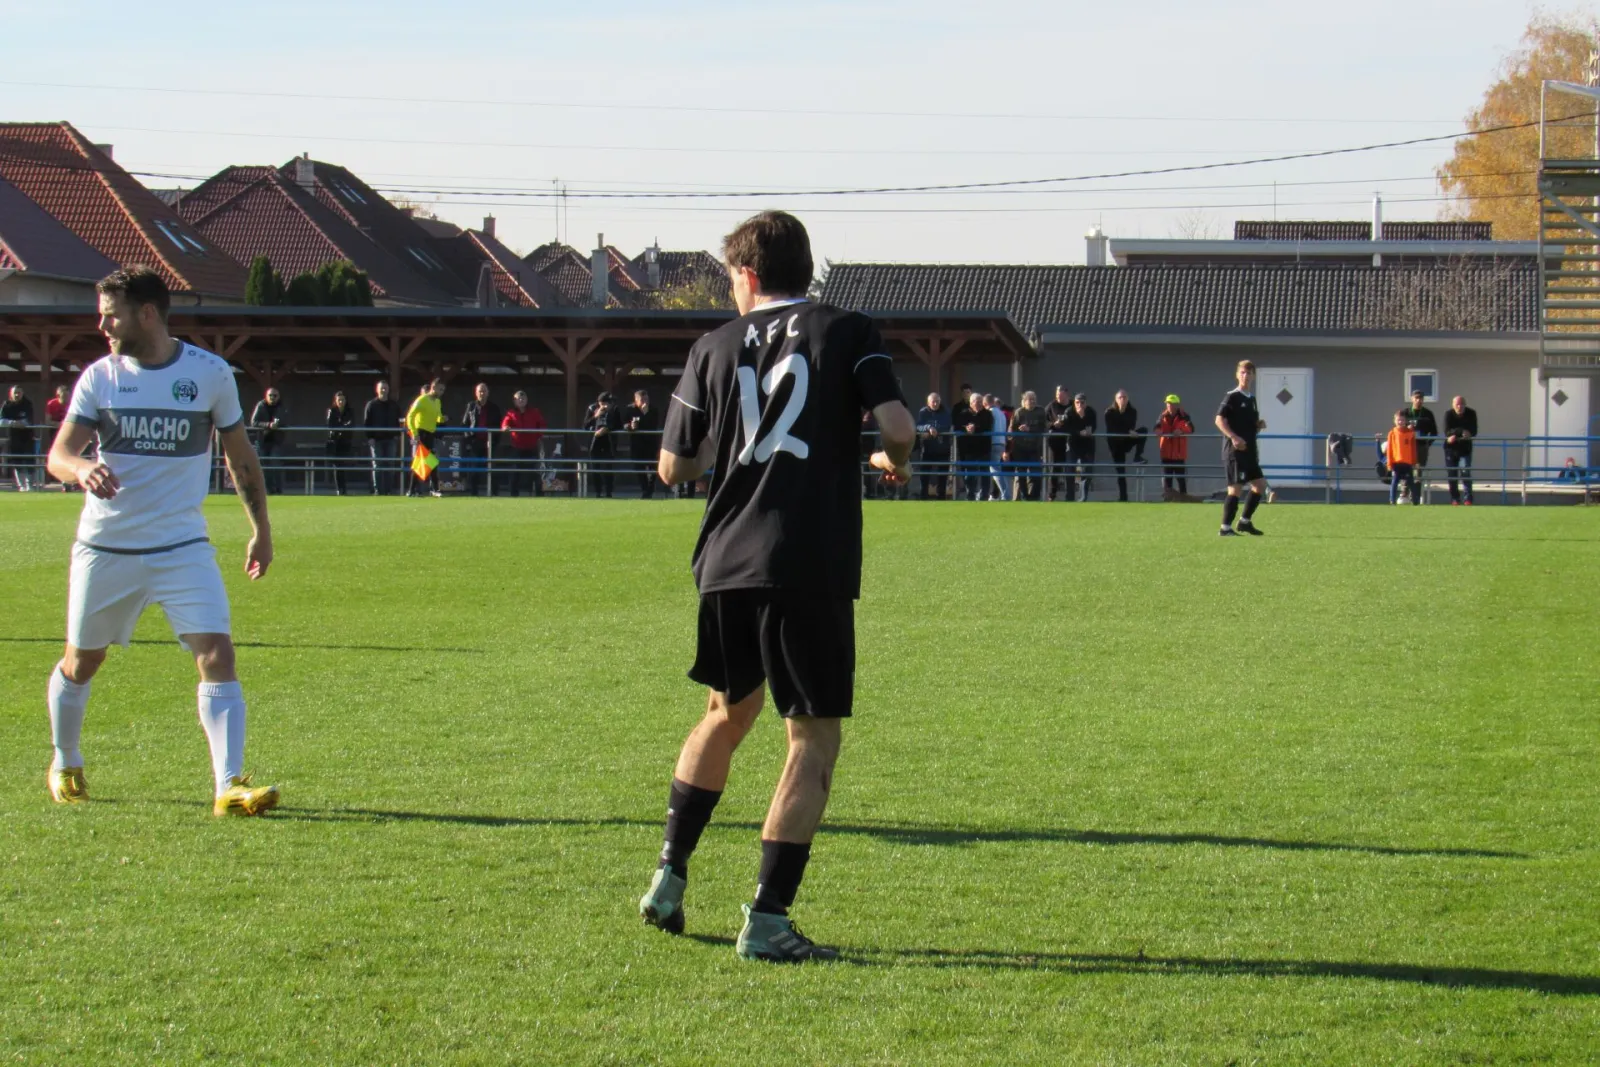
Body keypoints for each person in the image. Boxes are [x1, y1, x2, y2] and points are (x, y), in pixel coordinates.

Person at [638, 210, 915, 963]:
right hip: (806, 558)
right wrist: (892, 459)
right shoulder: (848, 330)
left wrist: (726, 451)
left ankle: (668, 875)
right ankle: (766, 919)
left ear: (749, 274)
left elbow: (674, 467)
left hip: (725, 559)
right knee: (813, 737)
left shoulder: (712, 346)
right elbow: (898, 427)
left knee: (726, 713)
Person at [44, 266, 278, 816]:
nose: (102, 325)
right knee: (83, 661)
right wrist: (82, 469)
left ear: (147, 314)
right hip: (107, 547)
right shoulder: (100, 378)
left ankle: (229, 786)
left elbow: (240, 457)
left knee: (217, 653)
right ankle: (66, 760)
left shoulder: (209, 373)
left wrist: (261, 530)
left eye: (111, 315)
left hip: (181, 547)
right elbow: (59, 455)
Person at [1215, 360, 1268, 536]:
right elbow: (1219, 420)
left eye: (1249, 373)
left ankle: (1245, 522)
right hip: (1235, 452)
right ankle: (1225, 528)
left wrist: (1258, 424)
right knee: (1235, 488)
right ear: (1237, 375)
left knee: (1260, 485)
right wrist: (1233, 437)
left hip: (1250, 451)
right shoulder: (1232, 396)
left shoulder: (1251, 399)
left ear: (1253, 376)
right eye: (1242, 372)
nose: (1245, 376)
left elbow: (1247, 423)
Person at [502, 390, 547, 498]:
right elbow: (505, 423)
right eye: (518, 398)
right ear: (514, 401)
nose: (521, 400)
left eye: (523, 398)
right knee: (514, 472)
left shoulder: (534, 412)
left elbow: (542, 425)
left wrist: (537, 436)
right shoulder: (510, 413)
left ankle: (539, 495)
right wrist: (505, 427)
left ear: (526, 400)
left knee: (536, 472)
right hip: (517, 448)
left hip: (532, 447)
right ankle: (513, 495)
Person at [406, 379, 446, 497]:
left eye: (443, 390)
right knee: (423, 462)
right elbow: (410, 416)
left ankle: (416, 490)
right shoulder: (422, 400)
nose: (442, 392)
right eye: (440, 389)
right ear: (433, 387)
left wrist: (442, 419)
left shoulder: (437, 402)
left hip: (430, 434)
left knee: (429, 462)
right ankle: (427, 489)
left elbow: (437, 417)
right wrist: (414, 433)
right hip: (421, 433)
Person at [461, 382, 503, 497]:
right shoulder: (471, 406)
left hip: (490, 442)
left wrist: (493, 440)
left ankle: (495, 492)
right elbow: (465, 424)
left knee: (492, 468)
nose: (482, 393)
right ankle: (474, 493)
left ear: (488, 393)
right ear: (476, 393)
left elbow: (498, 426)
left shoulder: (494, 408)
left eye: (484, 391)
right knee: (474, 468)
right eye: (480, 391)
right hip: (475, 442)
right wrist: (469, 440)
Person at [363, 380, 403, 495]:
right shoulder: (371, 405)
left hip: (391, 439)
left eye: (386, 388)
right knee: (377, 465)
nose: (384, 390)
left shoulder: (394, 405)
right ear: (377, 390)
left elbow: (400, 421)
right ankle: (378, 490)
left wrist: (397, 435)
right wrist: (369, 437)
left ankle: (389, 490)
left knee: (390, 465)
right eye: (382, 388)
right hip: (376, 440)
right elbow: (367, 422)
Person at [1008, 390, 1047, 501]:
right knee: (1021, 473)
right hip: (1020, 447)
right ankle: (1024, 495)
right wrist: (1014, 435)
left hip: (1035, 447)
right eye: (1030, 399)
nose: (1032, 401)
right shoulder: (1019, 412)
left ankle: (1034, 496)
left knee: (1036, 473)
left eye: (1034, 399)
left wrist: (1029, 429)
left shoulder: (1040, 411)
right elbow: (1011, 429)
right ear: (1024, 401)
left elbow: (1043, 427)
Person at [1155, 394, 1195, 499]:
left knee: (1181, 479)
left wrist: (1181, 431)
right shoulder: (1162, 416)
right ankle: (1168, 499)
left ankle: (1184, 498)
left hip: (1179, 454)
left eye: (1172, 404)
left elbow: (1191, 428)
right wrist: (1158, 431)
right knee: (1167, 478)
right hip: (1166, 452)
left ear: (1177, 405)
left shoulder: (1184, 416)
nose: (1169, 406)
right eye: (1168, 404)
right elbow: (1157, 427)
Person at [1103, 389, 1139, 502]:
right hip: (1115, 444)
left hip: (1127, 440)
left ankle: (1138, 456)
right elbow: (1112, 429)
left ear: (1128, 399)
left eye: (1124, 397)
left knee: (1143, 431)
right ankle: (1123, 497)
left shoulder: (1132, 411)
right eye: (1120, 398)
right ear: (1116, 399)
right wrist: (1128, 431)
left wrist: (1129, 431)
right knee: (1121, 471)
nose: (1122, 400)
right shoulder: (1109, 412)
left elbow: (1131, 425)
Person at [624, 390, 661, 498]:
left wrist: (645, 414)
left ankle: (650, 489)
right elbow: (624, 424)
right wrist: (630, 426)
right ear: (636, 400)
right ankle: (645, 490)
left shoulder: (653, 410)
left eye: (647, 399)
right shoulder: (630, 409)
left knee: (653, 468)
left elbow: (654, 424)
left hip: (651, 443)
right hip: (637, 444)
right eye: (642, 399)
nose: (645, 402)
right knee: (639, 467)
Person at [584, 391, 621, 498]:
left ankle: (609, 492)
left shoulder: (614, 409)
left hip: (608, 442)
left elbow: (619, 425)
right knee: (595, 468)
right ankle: (598, 492)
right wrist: (595, 416)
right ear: (599, 402)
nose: (606, 406)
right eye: (604, 404)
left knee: (608, 468)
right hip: (594, 442)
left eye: (608, 404)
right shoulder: (592, 408)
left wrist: (607, 429)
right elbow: (585, 425)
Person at [914, 392, 951, 500]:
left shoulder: (945, 412)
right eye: (933, 402)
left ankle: (941, 497)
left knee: (942, 475)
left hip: (943, 448)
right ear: (928, 403)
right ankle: (923, 496)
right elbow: (918, 426)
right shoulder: (923, 412)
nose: (935, 404)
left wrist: (936, 429)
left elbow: (947, 425)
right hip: (927, 448)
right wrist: (929, 427)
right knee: (924, 474)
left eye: (937, 401)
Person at [249, 387, 285, 495]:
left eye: (275, 395)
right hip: (262, 440)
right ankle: (269, 489)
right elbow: (254, 422)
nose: (272, 397)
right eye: (270, 395)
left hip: (276, 441)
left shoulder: (282, 407)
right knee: (264, 466)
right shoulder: (261, 405)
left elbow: (286, 422)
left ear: (278, 397)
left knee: (275, 463)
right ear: (266, 396)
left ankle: (278, 489)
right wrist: (268, 425)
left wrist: (278, 425)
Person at [1443, 394, 1477, 506]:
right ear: (1453, 405)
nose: (1460, 406)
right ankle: (1455, 499)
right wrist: (1461, 431)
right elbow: (1447, 431)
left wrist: (1468, 433)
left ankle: (1468, 499)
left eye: (1462, 404)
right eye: (1457, 404)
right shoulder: (1448, 414)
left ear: (1465, 405)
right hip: (1451, 449)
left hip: (1465, 449)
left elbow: (1474, 430)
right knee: (1452, 475)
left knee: (1465, 473)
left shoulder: (1471, 413)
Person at [958, 392, 993, 500]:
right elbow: (958, 425)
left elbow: (987, 426)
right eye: (975, 402)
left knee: (985, 473)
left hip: (984, 448)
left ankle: (984, 495)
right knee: (970, 474)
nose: (978, 404)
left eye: (980, 402)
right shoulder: (964, 414)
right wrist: (966, 428)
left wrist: (975, 428)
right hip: (969, 449)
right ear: (971, 403)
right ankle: (971, 495)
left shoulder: (987, 414)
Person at [1, 384, 37, 491]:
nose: (17, 395)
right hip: (13, 437)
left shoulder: (27, 404)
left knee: (29, 460)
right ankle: (21, 486)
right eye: (15, 393)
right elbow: (1, 421)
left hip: (27, 436)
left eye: (19, 392)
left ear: (22, 393)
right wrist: (13, 423)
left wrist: (21, 423)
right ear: (11, 394)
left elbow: (28, 421)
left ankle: (30, 485)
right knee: (17, 461)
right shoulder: (7, 405)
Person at [1062, 393, 1097, 501]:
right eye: (1077, 402)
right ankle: (1070, 497)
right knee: (1069, 469)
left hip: (1087, 444)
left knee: (1087, 470)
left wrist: (1084, 420)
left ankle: (1083, 496)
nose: (1080, 405)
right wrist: (1078, 432)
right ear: (1074, 403)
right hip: (1073, 444)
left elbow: (1093, 427)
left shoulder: (1091, 412)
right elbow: (1067, 428)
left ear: (1086, 403)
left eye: (1082, 403)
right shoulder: (1069, 411)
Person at [1044, 385, 1073, 500]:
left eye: (1060, 395)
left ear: (1066, 394)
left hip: (1070, 441)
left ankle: (1070, 495)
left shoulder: (1073, 405)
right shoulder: (1051, 406)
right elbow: (1044, 421)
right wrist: (1053, 424)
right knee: (1055, 468)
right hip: (1055, 442)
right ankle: (1052, 495)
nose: (1058, 398)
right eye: (1057, 395)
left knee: (1069, 468)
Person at [1386, 409, 1420, 506]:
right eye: (1398, 420)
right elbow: (1389, 450)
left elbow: (1413, 448)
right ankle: (1392, 501)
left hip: (1407, 462)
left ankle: (1415, 501)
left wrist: (1414, 461)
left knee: (1411, 482)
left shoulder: (1410, 433)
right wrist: (1389, 463)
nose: (1400, 422)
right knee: (1395, 481)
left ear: (1405, 421)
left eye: (1402, 420)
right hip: (1396, 462)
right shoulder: (1392, 433)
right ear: (1395, 421)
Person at [325, 390, 354, 495]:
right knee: (337, 466)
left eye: (343, 400)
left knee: (343, 466)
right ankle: (339, 489)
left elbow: (351, 424)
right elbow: (330, 425)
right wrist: (342, 427)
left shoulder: (349, 411)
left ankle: (344, 488)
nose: (341, 402)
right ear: (335, 401)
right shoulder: (332, 411)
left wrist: (342, 427)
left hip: (345, 442)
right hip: (334, 442)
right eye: (339, 400)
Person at [1406, 389, 1438, 480]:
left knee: (1419, 470)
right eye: (1416, 398)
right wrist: (1407, 428)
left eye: (1420, 398)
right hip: (1408, 445)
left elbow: (1434, 432)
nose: (1418, 400)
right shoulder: (1405, 412)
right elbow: (1398, 429)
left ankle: (1418, 487)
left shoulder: (1428, 414)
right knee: (1407, 467)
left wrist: (1428, 443)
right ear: (1412, 399)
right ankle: (1405, 487)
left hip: (1422, 446)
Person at [985, 394, 1010, 500]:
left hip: (993, 442)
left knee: (994, 470)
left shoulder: (990, 413)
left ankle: (1006, 494)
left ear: (985, 403)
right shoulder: (1002, 413)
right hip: (1001, 443)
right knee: (997, 469)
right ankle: (1004, 493)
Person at [44, 384, 70, 488]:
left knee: (69, 455)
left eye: (67, 396)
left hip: (68, 434)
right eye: (63, 396)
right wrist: (60, 424)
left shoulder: (72, 404)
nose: (66, 398)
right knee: (57, 456)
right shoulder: (51, 404)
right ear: (58, 395)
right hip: (55, 434)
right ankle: (58, 479)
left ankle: (68, 482)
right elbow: (48, 421)